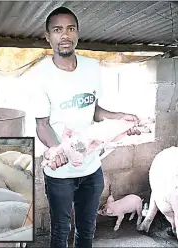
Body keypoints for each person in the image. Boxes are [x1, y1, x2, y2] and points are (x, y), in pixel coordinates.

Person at [34, 6, 142, 248]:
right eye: (57, 30)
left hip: (92, 169)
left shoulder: (92, 67)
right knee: (61, 231)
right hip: (60, 173)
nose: (65, 35)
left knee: (87, 229)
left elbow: (94, 110)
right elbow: (42, 124)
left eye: (70, 29)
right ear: (48, 36)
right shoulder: (40, 75)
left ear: (78, 33)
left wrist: (120, 118)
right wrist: (60, 151)